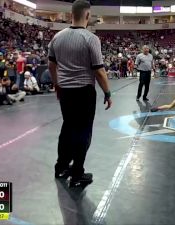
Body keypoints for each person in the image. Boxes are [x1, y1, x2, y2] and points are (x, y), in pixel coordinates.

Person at [48, 0, 112, 188]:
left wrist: (57, 84)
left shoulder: (57, 37)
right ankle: (77, 174)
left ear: (71, 15)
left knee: (68, 128)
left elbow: (52, 65)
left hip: (65, 92)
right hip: (84, 91)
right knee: (83, 132)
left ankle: (60, 167)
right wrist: (107, 93)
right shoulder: (91, 38)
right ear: (87, 15)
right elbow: (99, 71)